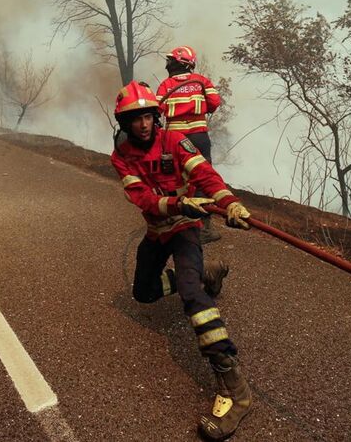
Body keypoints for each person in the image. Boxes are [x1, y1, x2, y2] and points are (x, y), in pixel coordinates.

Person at [110, 80, 254, 440]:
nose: (143, 124)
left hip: (186, 228)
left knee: (193, 297)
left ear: (155, 116)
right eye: (135, 119)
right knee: (143, 293)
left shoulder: (174, 141)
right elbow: (142, 198)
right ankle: (207, 274)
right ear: (124, 124)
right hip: (158, 230)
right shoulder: (121, 156)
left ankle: (234, 386)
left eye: (147, 116)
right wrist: (176, 203)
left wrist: (229, 202)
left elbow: (204, 173)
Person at [156, 46, 222, 244]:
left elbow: (157, 108)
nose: (167, 64)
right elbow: (214, 102)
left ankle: (176, 221)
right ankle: (205, 227)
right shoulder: (201, 81)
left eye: (170, 60)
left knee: (175, 177)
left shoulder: (166, 85)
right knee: (202, 176)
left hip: (175, 139)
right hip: (199, 137)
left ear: (180, 62)